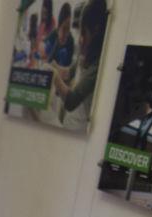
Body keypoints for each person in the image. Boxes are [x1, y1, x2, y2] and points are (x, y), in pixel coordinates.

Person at [52, 0, 107, 130]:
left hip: (80, 130)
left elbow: (71, 101)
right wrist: (54, 66)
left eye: (83, 32)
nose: (80, 39)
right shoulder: (84, 57)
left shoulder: (97, 66)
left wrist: (54, 75)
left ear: (96, 32)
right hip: (69, 123)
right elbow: (68, 73)